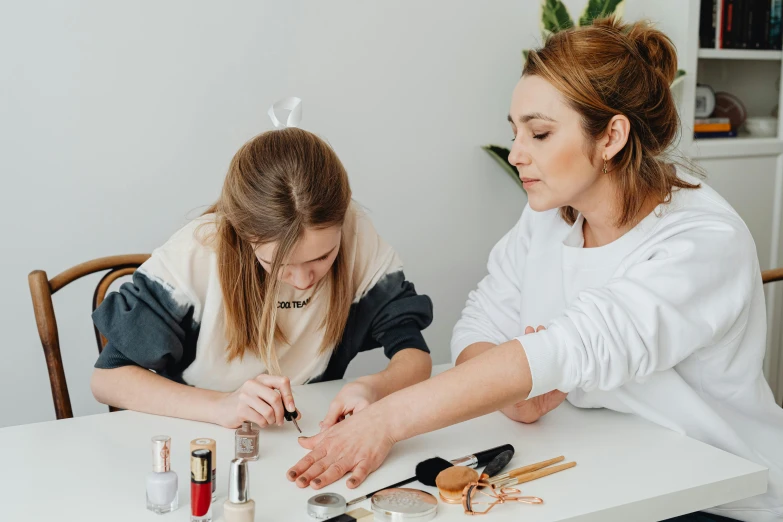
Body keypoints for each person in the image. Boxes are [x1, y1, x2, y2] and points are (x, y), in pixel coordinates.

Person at [285, 19, 783, 522]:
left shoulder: (701, 242)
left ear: (611, 136)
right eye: (515, 131)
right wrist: (516, 396)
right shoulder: (548, 215)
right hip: (608, 463)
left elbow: (575, 344)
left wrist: (387, 421)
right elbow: (480, 323)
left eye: (539, 133)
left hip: (720, 495)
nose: (517, 153)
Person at [90, 103, 433, 431]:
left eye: (322, 257)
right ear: (243, 235)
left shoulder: (357, 236)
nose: (302, 281)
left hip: (306, 432)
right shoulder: (196, 254)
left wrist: (374, 388)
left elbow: (413, 353)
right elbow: (107, 379)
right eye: (278, 264)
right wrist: (219, 406)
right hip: (196, 432)